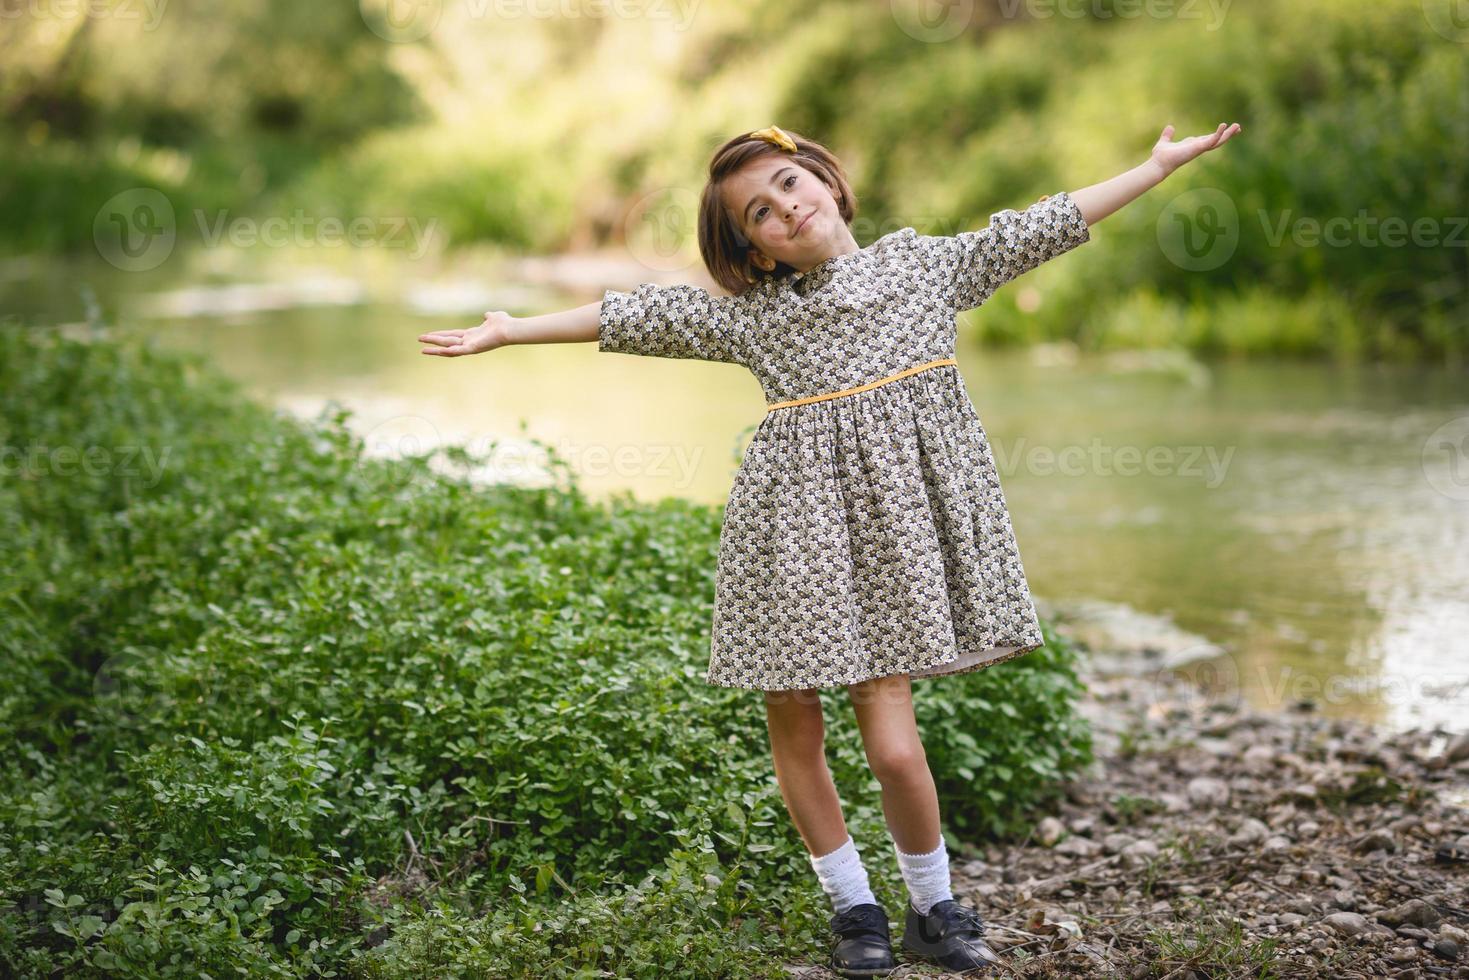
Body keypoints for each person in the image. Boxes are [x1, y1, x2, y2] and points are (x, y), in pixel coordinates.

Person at [418, 120, 1241, 977]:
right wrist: (511, 329)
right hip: (786, 542)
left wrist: (1151, 168)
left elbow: (1039, 226)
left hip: (886, 549)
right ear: (758, 251)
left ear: (825, 180)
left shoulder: (923, 268)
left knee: (891, 747)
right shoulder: (760, 318)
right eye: (758, 215)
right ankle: (853, 905)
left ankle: (932, 904)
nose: (783, 209)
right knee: (794, 720)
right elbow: (641, 315)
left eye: (787, 185)